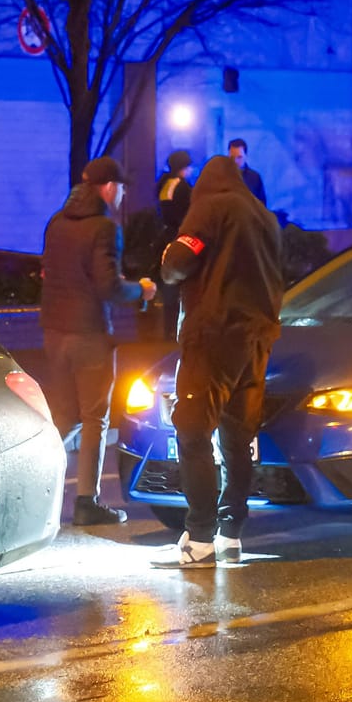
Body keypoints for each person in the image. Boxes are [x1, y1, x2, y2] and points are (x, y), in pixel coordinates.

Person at [150, 155, 286, 569]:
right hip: (257, 338)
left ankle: (200, 538)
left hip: (213, 337)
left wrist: (168, 256)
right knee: (237, 437)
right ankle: (231, 534)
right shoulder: (265, 218)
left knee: (192, 430)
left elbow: (177, 264)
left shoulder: (211, 207)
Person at [40, 156, 156, 526]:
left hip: (54, 333)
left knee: (62, 418)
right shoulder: (104, 228)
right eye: (120, 187)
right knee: (95, 419)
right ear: (108, 187)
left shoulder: (56, 222)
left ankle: (33, 490)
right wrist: (142, 289)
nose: (121, 194)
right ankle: (87, 501)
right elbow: (108, 286)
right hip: (89, 334)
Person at [153, 150, 195, 341]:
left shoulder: (164, 184)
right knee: (179, 287)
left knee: (168, 286)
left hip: (165, 238)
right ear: (183, 168)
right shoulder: (183, 187)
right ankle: (178, 332)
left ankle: (167, 330)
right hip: (179, 238)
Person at [228, 138, 267, 207]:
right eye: (232, 157)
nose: (235, 161)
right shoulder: (221, 177)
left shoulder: (255, 178)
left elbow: (262, 206)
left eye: (239, 157)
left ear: (246, 156)